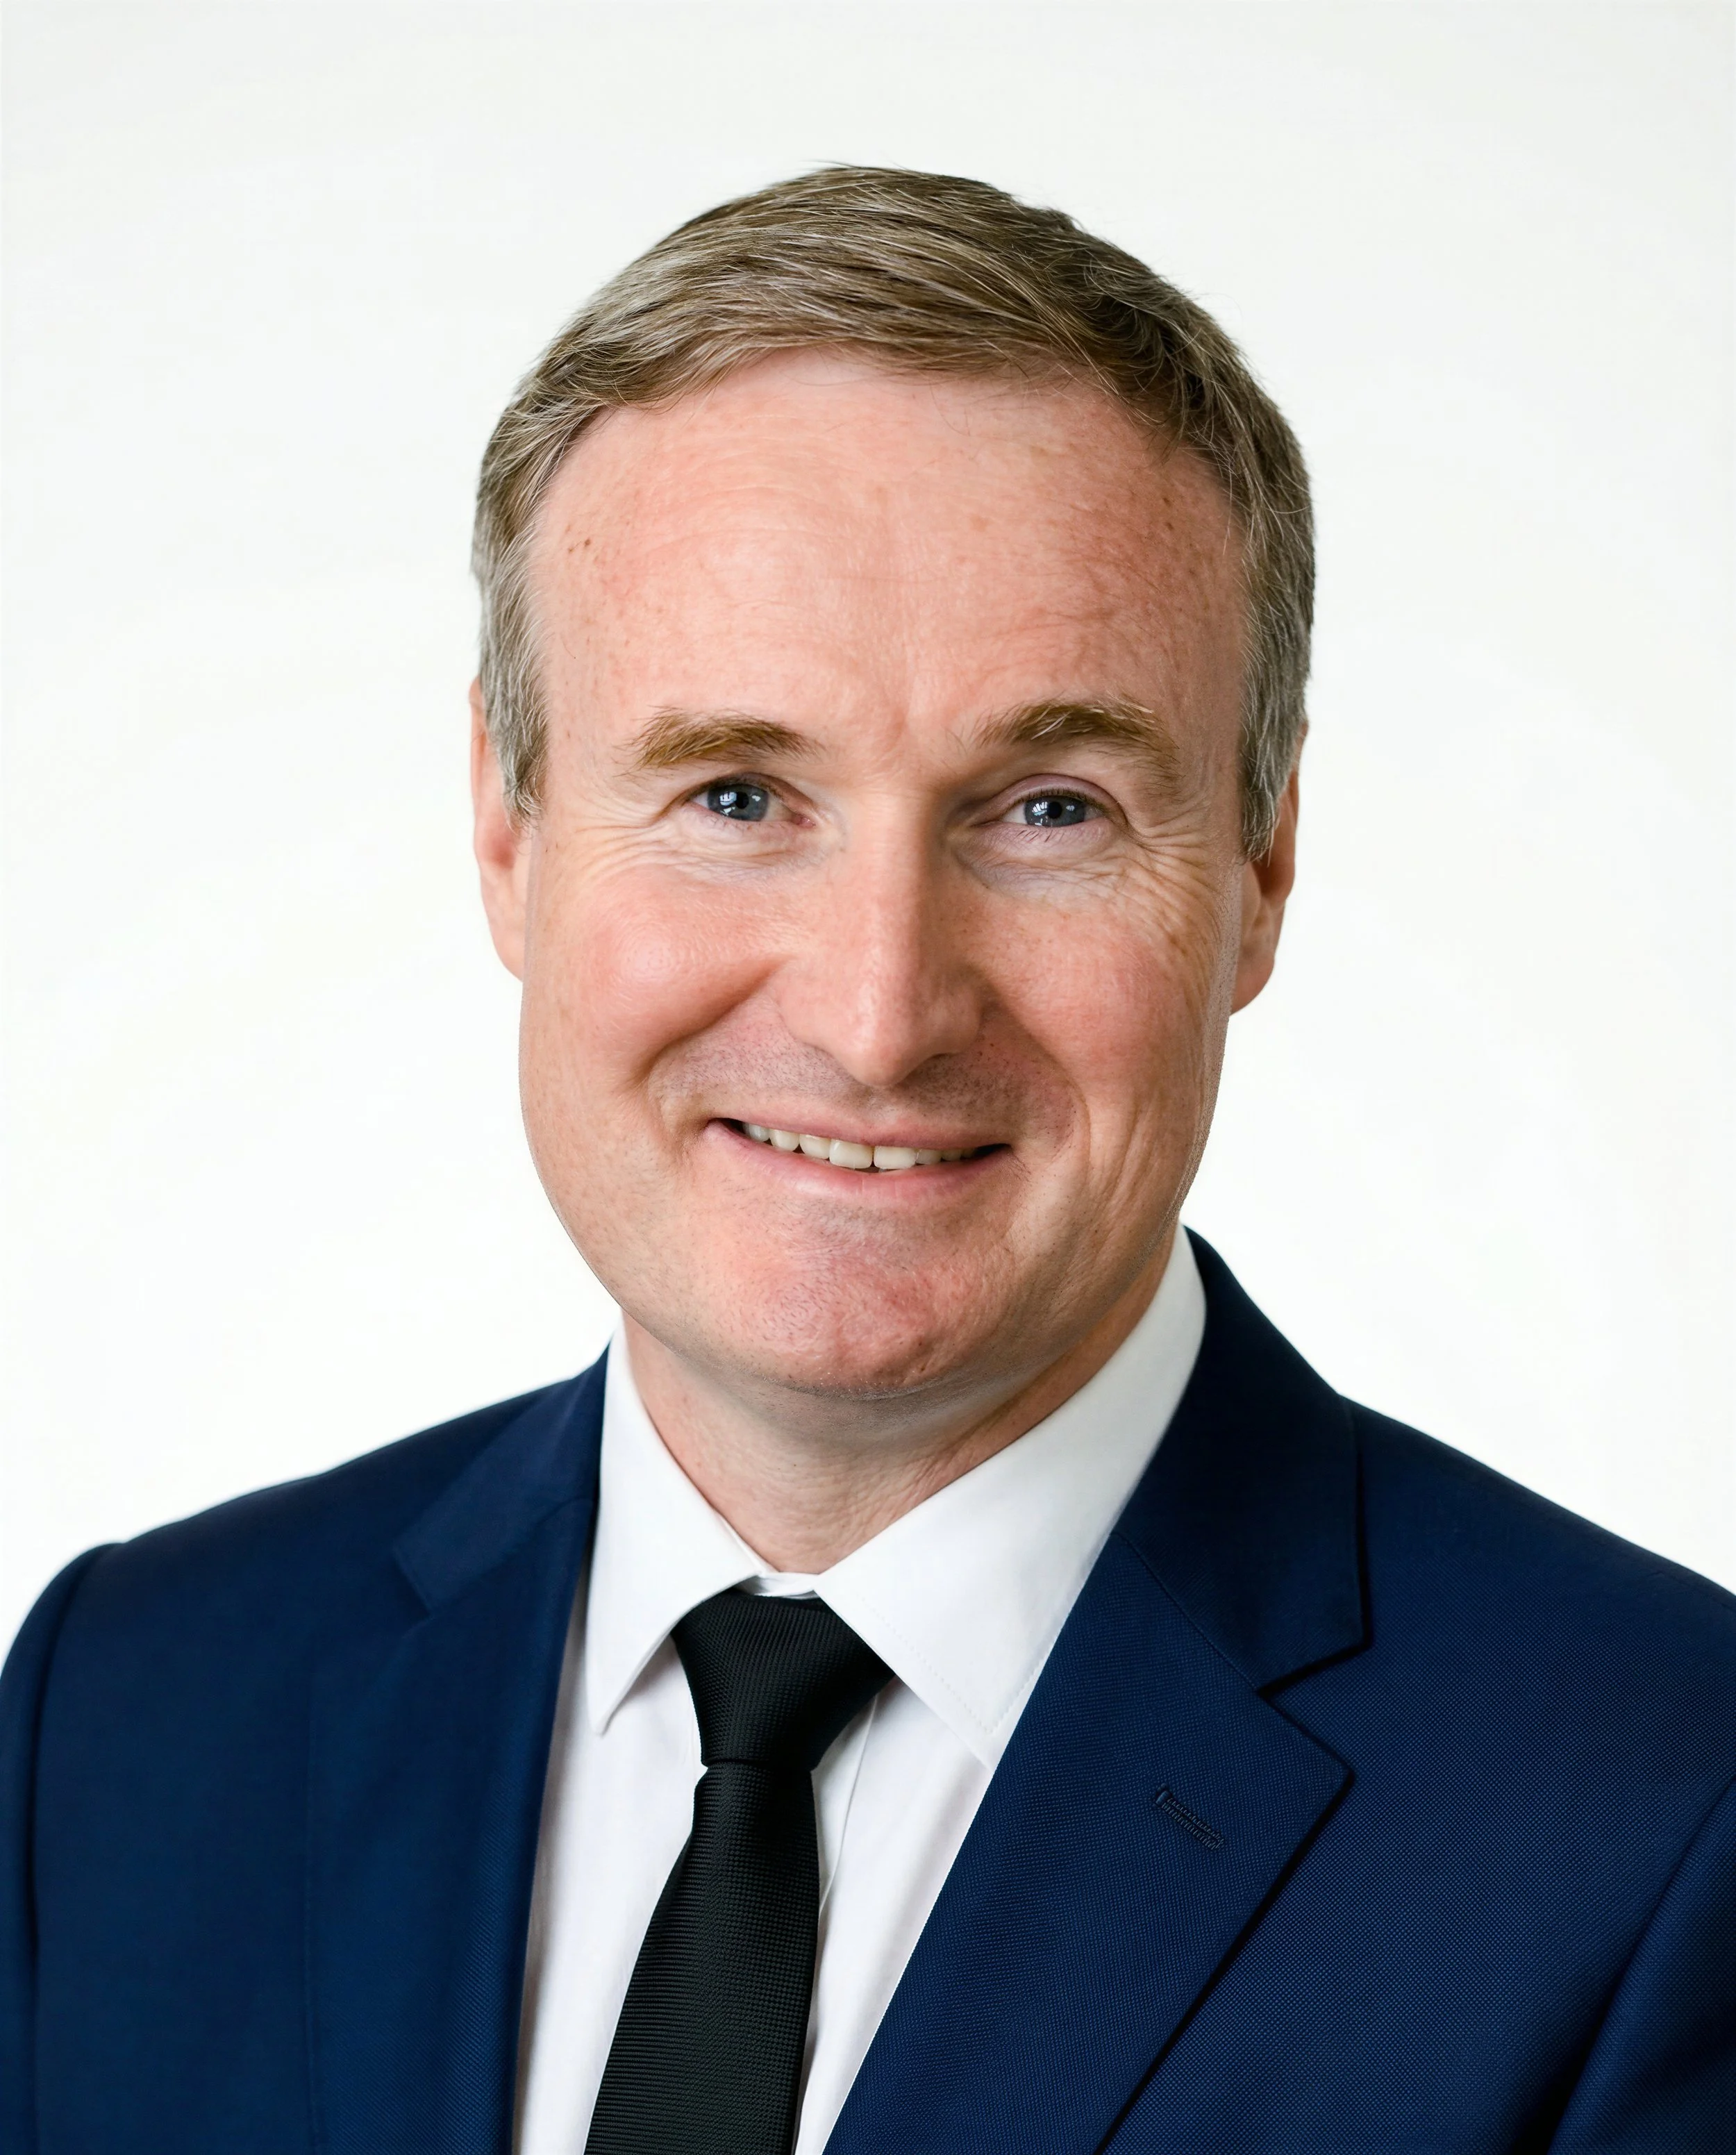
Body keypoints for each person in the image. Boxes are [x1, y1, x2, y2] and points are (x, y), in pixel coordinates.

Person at [3, 166, 1731, 2155]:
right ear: (506, 821)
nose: (878, 1007)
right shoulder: (122, 1715)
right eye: (736, 791)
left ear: (1258, 865)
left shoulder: (1665, 1826)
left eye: (1049, 807)